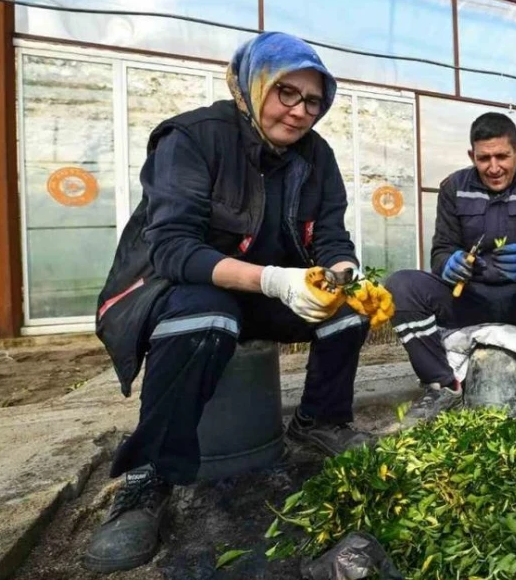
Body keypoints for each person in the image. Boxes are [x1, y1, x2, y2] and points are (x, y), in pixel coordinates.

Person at [85, 32, 392, 573]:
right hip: (174, 287)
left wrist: (343, 277)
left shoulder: (317, 157)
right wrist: (275, 280)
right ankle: (149, 476)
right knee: (208, 315)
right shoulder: (194, 137)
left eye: (313, 100)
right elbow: (175, 249)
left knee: (347, 314)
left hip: (264, 289)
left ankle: (320, 420)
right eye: (286, 93)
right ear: (252, 85)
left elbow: (333, 240)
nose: (299, 112)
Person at [384, 112, 516, 441]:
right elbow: (440, 251)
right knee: (401, 286)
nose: (494, 167)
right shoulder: (454, 188)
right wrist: (448, 265)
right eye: (484, 158)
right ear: (472, 156)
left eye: (502, 156)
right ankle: (441, 386)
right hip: (469, 300)